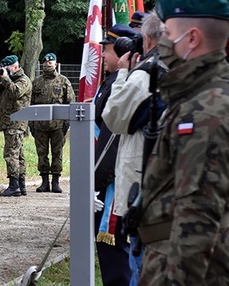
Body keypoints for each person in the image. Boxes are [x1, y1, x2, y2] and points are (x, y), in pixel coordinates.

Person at [137, 0, 229, 284]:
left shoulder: (207, 110)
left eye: (166, 33)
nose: (159, 42)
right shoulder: (198, 97)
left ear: (191, 39)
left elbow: (197, 219)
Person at [102, 12, 166, 285]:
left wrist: (124, 74)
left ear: (148, 38)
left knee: (141, 267)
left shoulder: (148, 73)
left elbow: (113, 117)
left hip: (144, 189)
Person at [93, 23, 138, 286]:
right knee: (110, 257)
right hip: (103, 177)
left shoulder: (123, 83)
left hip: (111, 182)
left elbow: (113, 137)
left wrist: (96, 182)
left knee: (118, 258)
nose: (103, 55)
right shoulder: (109, 81)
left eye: (107, 50)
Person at [30, 53, 75, 193]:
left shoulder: (63, 81)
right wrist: (31, 123)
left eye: (50, 62)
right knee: (41, 154)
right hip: (40, 126)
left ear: (56, 64)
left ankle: (56, 181)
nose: (47, 64)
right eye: (45, 62)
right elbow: (30, 104)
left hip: (58, 126)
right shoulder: (36, 82)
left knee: (58, 153)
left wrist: (67, 122)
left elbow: (70, 102)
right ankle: (44, 182)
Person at [0, 55, 32, 197]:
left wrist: (6, 79)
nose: (5, 70)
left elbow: (16, 92)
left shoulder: (23, 80)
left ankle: (14, 185)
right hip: (8, 122)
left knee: (11, 154)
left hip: (17, 122)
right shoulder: (7, 79)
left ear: (14, 67)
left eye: (6, 67)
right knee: (18, 154)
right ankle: (21, 185)